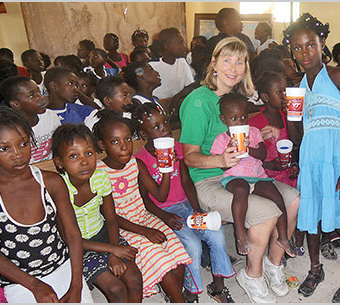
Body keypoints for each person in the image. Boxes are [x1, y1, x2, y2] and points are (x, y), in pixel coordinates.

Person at [179, 36, 300, 303]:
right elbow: (189, 157)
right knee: (267, 212)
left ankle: (273, 263)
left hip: (244, 172)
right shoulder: (199, 102)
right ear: (213, 63)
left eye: (240, 61)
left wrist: (267, 132)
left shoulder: (237, 98)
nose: (234, 67)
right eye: (226, 60)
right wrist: (220, 161)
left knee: (293, 200)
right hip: (210, 179)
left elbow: (250, 133)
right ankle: (252, 274)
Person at [282, 13, 340, 302]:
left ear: (322, 44)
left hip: (339, 161)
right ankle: (316, 269)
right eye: (297, 47)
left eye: (310, 45)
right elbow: (298, 137)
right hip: (311, 160)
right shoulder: (299, 85)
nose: (304, 53)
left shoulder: (338, 75)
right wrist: (289, 111)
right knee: (312, 219)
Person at [132, 103, 235, 303]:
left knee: (216, 233)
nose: (164, 129)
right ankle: (192, 290)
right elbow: (149, 199)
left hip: (187, 205)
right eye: (156, 127)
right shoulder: (141, 161)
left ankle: (218, 287)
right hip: (164, 211)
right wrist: (165, 216)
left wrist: (197, 209)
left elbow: (187, 182)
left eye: (165, 123)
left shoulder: (177, 148)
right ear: (144, 135)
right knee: (193, 244)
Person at [92, 110, 192, 302]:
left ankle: (174, 297)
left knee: (178, 260)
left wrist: (166, 168)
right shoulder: (99, 173)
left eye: (128, 139)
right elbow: (110, 216)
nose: (124, 147)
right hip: (123, 228)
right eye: (115, 142)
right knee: (164, 264)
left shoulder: (136, 164)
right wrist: (145, 231)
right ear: (102, 145)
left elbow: (160, 196)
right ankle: (178, 300)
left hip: (144, 217)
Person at [0, 107, 93, 303]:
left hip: (62, 267)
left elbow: (73, 234)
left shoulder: (50, 183)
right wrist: (35, 286)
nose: (18, 154)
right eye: (4, 148)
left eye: (23, 143)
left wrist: (76, 285)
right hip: (18, 281)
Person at [51, 123, 143, 302]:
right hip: (77, 247)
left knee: (134, 278)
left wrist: (114, 252)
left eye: (89, 153)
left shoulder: (100, 178)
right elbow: (69, 238)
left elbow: (110, 219)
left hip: (104, 235)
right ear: (59, 163)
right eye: (74, 156)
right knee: (115, 289)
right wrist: (113, 250)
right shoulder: (60, 190)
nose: (84, 161)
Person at [211, 93, 295, 258]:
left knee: (277, 197)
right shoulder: (221, 139)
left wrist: (248, 147)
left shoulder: (254, 132)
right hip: (234, 178)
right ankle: (240, 234)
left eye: (243, 117)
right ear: (223, 119)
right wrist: (229, 153)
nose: (240, 122)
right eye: (234, 118)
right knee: (241, 190)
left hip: (258, 176)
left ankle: (283, 237)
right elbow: (221, 166)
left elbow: (263, 155)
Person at [249, 72, 300, 188]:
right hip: (266, 177)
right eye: (279, 92)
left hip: (288, 174)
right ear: (266, 97)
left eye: (285, 91)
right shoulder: (255, 123)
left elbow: (296, 141)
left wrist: (294, 164)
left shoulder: (285, 115)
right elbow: (248, 154)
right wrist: (269, 165)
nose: (284, 95)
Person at [1, 76, 61, 164]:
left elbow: (59, 145)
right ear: (16, 104)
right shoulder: (10, 131)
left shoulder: (50, 117)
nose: (40, 97)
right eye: (32, 95)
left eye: (39, 92)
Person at [149, 28, 194, 100]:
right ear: (167, 46)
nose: (184, 47)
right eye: (180, 43)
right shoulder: (153, 67)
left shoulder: (182, 63)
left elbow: (190, 86)